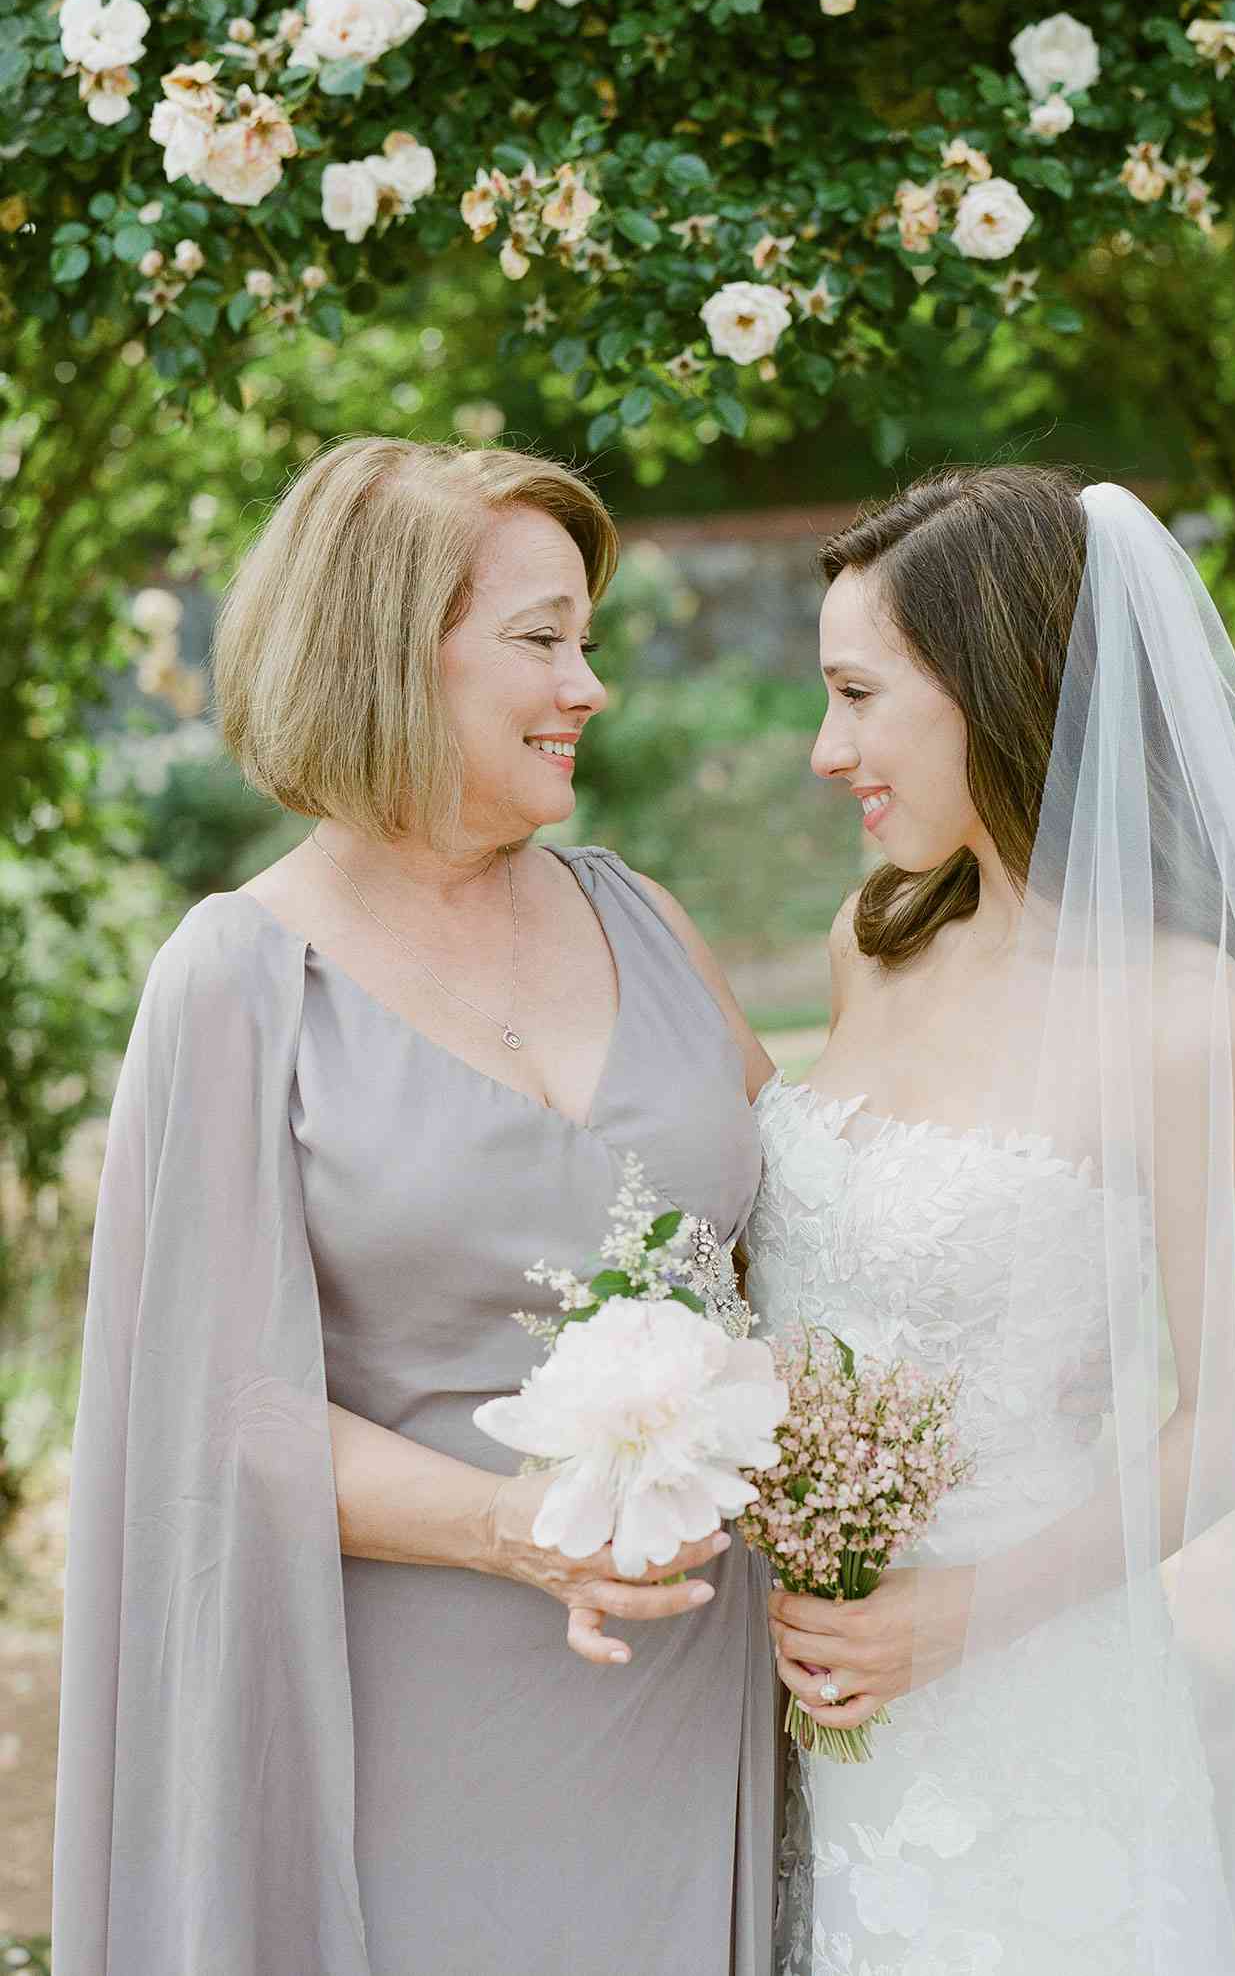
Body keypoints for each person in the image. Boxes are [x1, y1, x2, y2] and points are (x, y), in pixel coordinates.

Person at [51, 435, 780, 1976]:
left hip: (696, 1684)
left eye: (586, 640)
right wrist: (527, 1530)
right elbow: (220, 1407)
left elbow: (806, 1235)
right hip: (415, 1714)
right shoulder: (240, 982)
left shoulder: (642, 917)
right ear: (387, 651)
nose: (588, 686)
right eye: (540, 640)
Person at [747, 466, 1235, 1975]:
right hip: (802, 1692)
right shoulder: (878, 943)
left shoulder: (1191, 1022)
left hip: (1039, 1700)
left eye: (858, 696)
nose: (823, 748)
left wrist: (951, 1621)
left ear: (990, 685)